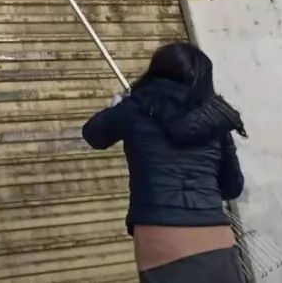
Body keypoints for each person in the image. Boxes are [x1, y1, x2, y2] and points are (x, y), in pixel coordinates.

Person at [82, 42, 247, 283]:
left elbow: (94, 135)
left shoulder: (136, 107)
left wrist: (117, 108)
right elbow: (232, 187)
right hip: (217, 239)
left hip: (163, 242)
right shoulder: (215, 118)